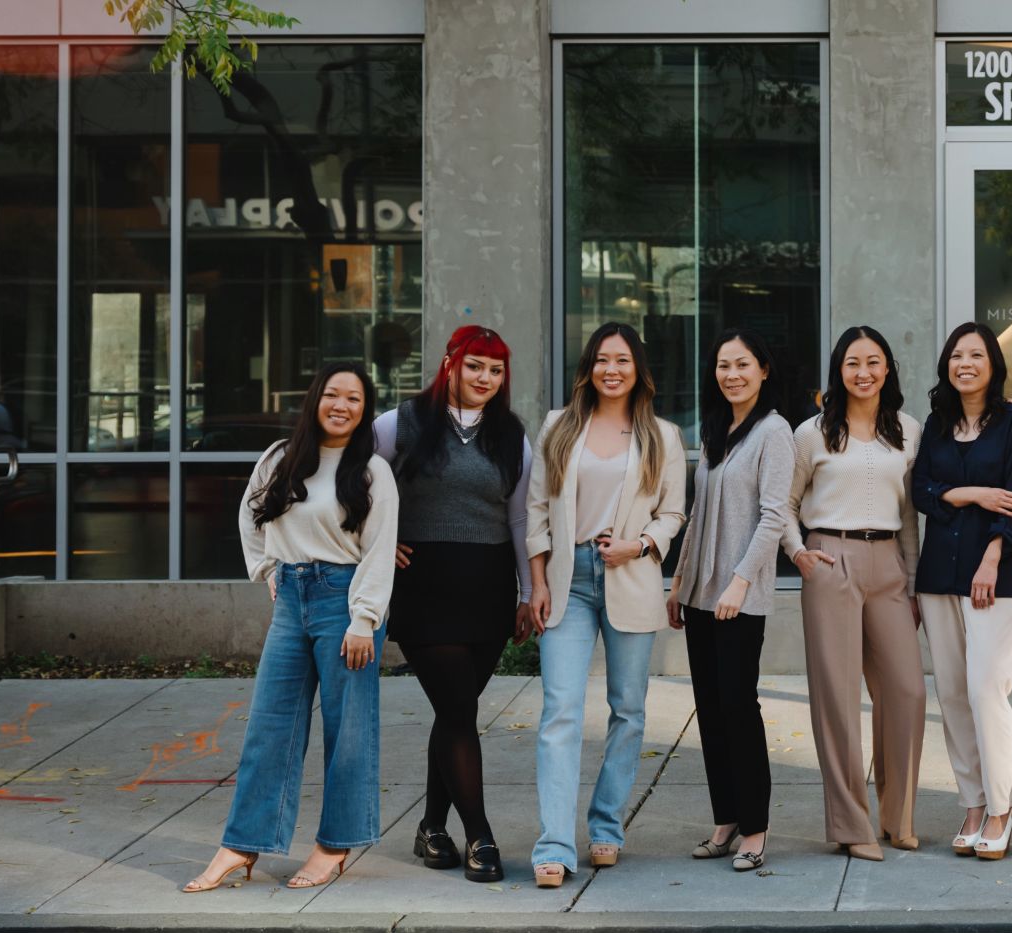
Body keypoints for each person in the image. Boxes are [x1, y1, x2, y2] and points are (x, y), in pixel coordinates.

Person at [184, 363, 398, 893]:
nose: (341, 406)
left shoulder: (371, 471)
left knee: (348, 730)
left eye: (353, 398)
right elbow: (250, 515)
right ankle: (241, 845)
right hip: (292, 598)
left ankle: (335, 845)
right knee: (270, 725)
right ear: (314, 399)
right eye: (332, 394)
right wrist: (267, 570)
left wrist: (363, 620)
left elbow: (379, 552)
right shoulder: (280, 458)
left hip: (346, 603)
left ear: (363, 409)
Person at [525, 322, 687, 887]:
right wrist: (537, 583)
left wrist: (639, 543)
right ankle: (553, 845)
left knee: (628, 712)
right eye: (601, 359)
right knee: (560, 712)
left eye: (621, 360)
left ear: (638, 369)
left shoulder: (662, 436)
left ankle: (606, 828)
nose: (610, 369)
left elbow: (673, 513)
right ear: (588, 368)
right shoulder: (558, 427)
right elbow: (538, 510)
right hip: (568, 579)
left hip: (631, 576)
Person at [371, 325, 531, 883]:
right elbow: (355, 484)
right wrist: (377, 537)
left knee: (453, 712)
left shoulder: (512, 435)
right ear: (449, 365)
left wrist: (529, 593)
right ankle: (480, 836)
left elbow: (518, 517)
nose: (485, 379)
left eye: (495, 370)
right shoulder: (400, 424)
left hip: (488, 590)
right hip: (423, 590)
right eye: (475, 366)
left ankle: (431, 827)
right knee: (461, 711)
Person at [781, 325, 925, 862]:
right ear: (838, 371)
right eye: (852, 363)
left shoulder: (907, 430)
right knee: (838, 699)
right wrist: (799, 553)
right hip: (830, 558)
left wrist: (910, 581)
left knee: (908, 692)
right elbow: (784, 505)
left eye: (874, 362)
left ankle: (898, 817)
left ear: (888, 368)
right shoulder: (813, 433)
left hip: (887, 562)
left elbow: (909, 514)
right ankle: (851, 824)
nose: (863, 372)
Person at [668, 329, 794, 873]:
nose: (731, 374)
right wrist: (679, 583)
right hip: (700, 593)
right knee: (711, 710)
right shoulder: (716, 431)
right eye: (723, 365)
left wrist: (740, 583)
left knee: (740, 709)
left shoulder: (775, 432)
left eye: (742, 364)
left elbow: (773, 516)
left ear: (763, 370)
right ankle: (726, 819)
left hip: (739, 596)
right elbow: (697, 515)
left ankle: (756, 829)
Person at [911, 322, 1012, 860]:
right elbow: (921, 491)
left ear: (993, 364)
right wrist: (970, 493)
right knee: (953, 695)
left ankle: (1002, 809)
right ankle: (971, 803)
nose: (965, 363)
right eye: (956, 355)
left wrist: (991, 558)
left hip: (995, 576)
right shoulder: (936, 427)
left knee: (988, 691)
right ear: (946, 366)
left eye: (976, 355)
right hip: (939, 574)